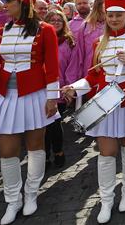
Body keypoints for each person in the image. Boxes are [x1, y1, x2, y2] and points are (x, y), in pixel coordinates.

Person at [62, 0, 125, 223]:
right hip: (104, 103)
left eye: (119, 15)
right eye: (110, 15)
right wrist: (75, 87)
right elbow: (92, 77)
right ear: (105, 15)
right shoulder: (97, 42)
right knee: (106, 153)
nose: (114, 19)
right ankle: (106, 199)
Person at [0, 0, 60, 224]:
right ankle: (13, 200)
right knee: (8, 152)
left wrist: (52, 97)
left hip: (34, 95)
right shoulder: (0, 30)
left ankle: (31, 194)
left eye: (8, 2)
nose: (3, 6)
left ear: (22, 3)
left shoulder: (46, 30)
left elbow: (52, 67)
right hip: (4, 96)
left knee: (35, 148)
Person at [43, 9, 78, 168]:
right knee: (43, 124)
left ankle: (57, 151)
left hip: (60, 89)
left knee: (54, 122)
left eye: (59, 19)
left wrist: (69, 87)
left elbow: (73, 66)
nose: (56, 22)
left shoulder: (69, 41)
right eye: (52, 19)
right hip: (41, 88)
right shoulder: (40, 39)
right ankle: (45, 154)